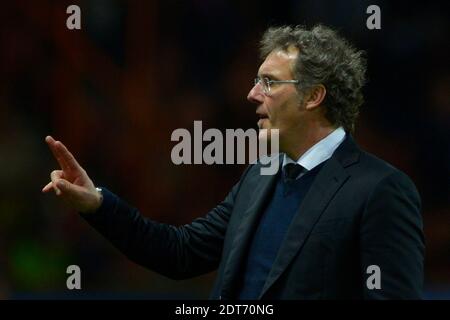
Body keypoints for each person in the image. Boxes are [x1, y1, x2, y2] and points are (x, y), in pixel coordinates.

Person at [43, 25, 425, 299]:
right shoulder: (261, 176)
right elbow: (181, 252)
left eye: (269, 82)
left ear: (313, 96)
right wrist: (97, 204)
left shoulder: (380, 189)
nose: (251, 94)